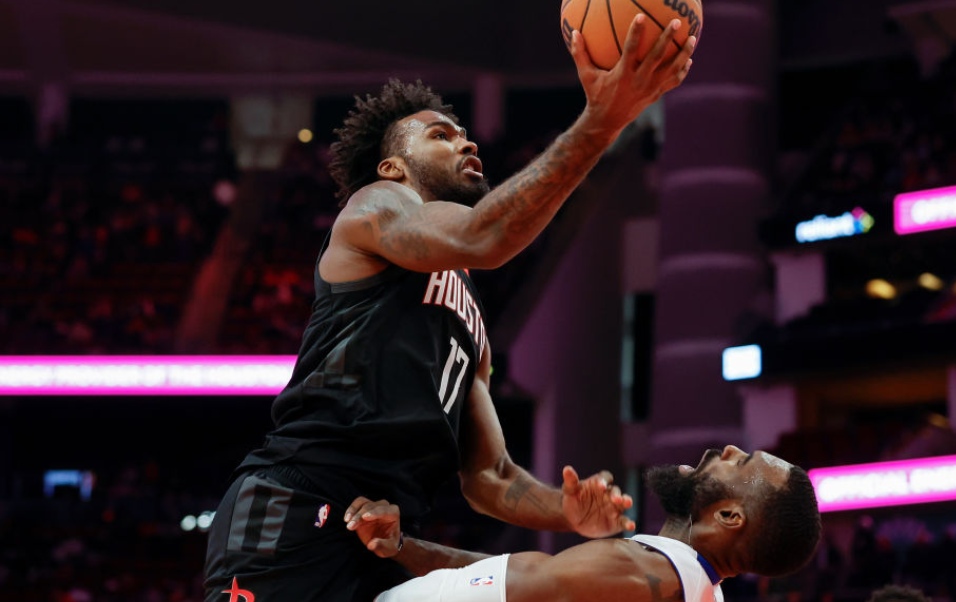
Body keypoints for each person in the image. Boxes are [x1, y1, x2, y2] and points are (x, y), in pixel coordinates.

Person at [203, 14, 697, 602]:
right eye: (440, 134)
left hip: (381, 535)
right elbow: (481, 240)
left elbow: (489, 475)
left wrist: (568, 511)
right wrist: (602, 119)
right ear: (393, 166)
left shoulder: (468, 316)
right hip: (295, 504)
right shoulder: (376, 207)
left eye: (463, 131)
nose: (467, 140)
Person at [346, 445, 822, 602]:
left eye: (741, 464)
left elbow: (488, 590)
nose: (729, 450)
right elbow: (501, 574)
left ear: (729, 516)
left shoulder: (642, 577)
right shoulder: (696, 586)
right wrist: (402, 546)